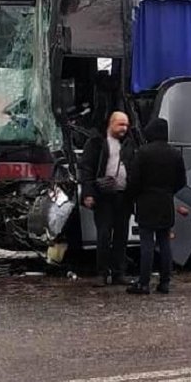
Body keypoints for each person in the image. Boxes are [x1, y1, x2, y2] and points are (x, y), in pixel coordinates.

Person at [124, 117, 187, 295]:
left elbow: (134, 180)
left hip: (146, 202)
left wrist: (134, 196)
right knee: (165, 242)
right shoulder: (175, 154)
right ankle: (165, 282)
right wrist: (168, 191)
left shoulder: (143, 153)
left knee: (147, 244)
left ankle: (143, 283)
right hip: (166, 202)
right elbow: (182, 181)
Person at [79, 111, 137, 287]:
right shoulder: (96, 143)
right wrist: (88, 193)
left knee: (121, 235)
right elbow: (87, 169)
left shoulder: (129, 143)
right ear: (111, 124)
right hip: (104, 196)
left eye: (126, 125)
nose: (124, 128)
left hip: (123, 195)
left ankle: (119, 272)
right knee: (103, 235)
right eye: (121, 124)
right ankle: (102, 273)